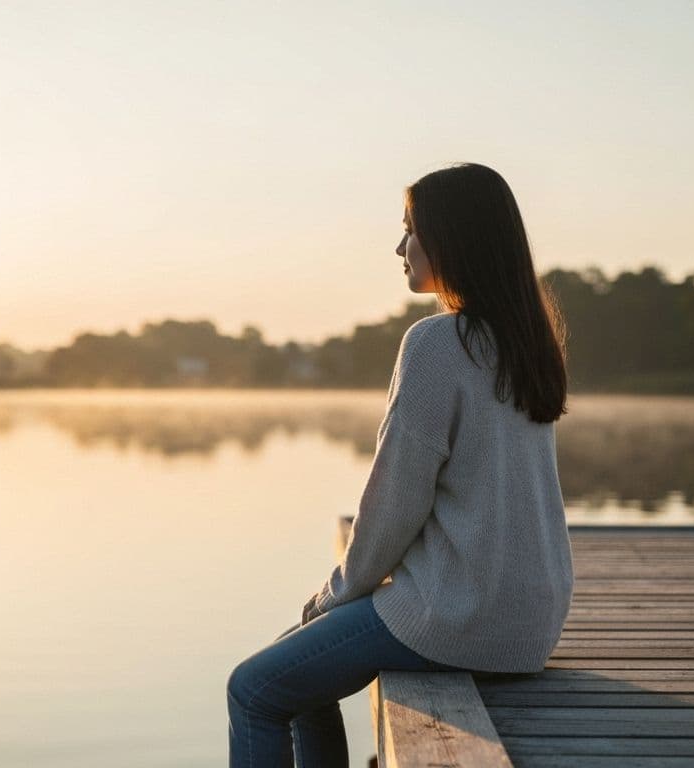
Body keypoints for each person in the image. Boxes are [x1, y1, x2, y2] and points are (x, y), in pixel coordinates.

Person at [226, 163, 574, 767]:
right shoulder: (527, 344)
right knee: (303, 678)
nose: (399, 246)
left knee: (254, 689)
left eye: (410, 229)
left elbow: (395, 502)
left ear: (451, 239)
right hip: (529, 621)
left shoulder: (439, 343)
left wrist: (335, 594)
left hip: (457, 615)